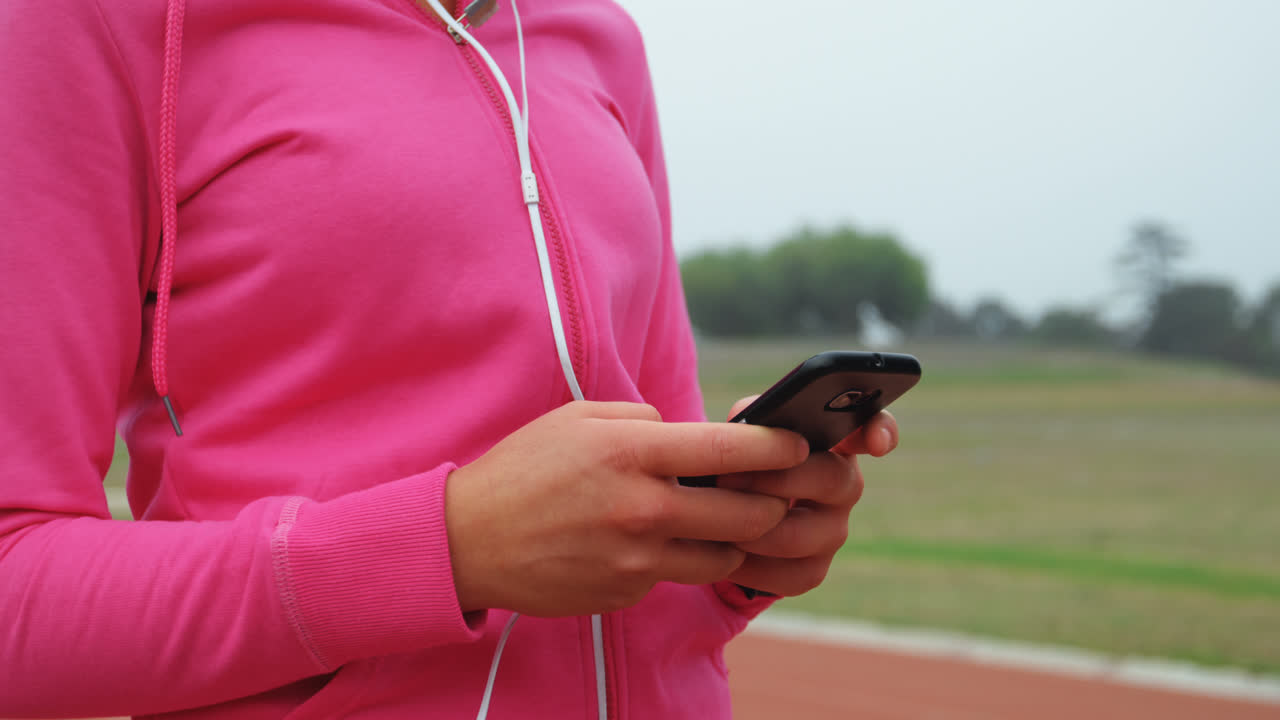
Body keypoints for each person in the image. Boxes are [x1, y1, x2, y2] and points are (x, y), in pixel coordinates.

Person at [0, 0, 900, 717]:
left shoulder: (598, 35)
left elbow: (650, 494)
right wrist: (446, 548)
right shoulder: (95, 20)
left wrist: (737, 541)